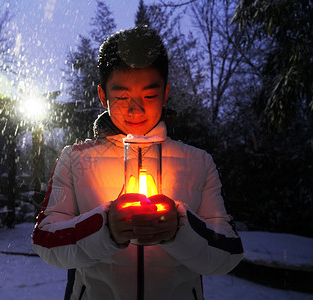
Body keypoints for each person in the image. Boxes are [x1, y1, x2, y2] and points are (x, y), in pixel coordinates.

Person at [32, 26, 243, 300]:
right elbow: (46, 242)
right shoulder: (75, 159)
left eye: (150, 95)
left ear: (166, 93)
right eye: (121, 97)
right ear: (102, 95)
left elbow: (228, 253)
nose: (136, 109)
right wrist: (104, 226)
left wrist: (180, 227)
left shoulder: (198, 163)